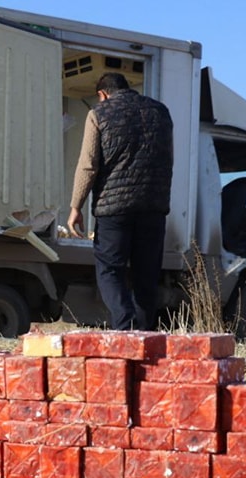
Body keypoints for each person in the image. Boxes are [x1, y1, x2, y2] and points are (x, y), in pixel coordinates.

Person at [67, 72, 173, 331]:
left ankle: (125, 330)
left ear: (103, 94)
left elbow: (88, 166)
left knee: (110, 270)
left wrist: (75, 207)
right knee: (146, 276)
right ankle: (145, 338)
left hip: (114, 209)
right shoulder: (160, 112)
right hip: (153, 207)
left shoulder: (99, 113)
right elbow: (167, 159)